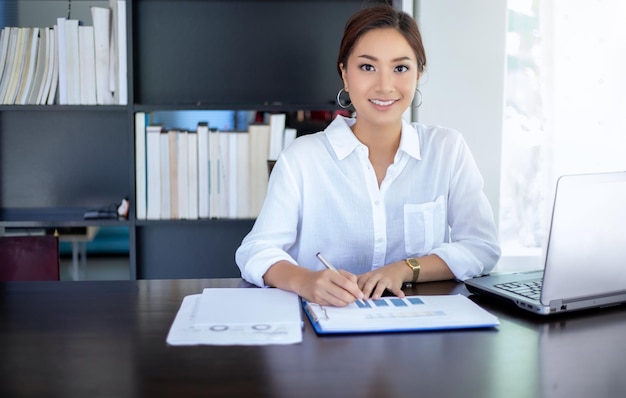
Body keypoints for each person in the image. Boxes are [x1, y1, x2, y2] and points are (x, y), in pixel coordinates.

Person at [236, 4, 500, 306]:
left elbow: (481, 247)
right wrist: (306, 281)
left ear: (419, 73)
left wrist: (406, 268)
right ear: (345, 75)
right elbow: (256, 251)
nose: (385, 86)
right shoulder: (302, 159)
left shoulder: (446, 149)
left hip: (418, 329)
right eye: (367, 67)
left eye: (400, 68)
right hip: (324, 328)